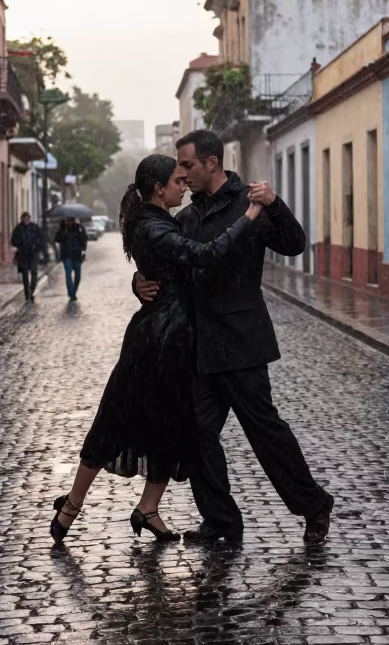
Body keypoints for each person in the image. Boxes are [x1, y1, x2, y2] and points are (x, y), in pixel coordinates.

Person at [49, 154, 264, 544]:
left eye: (185, 180)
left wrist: (139, 279)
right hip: (156, 340)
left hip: (174, 337)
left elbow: (163, 267)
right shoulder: (154, 226)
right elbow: (203, 255)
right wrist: (248, 215)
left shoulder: (162, 221)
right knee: (116, 417)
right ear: (158, 188)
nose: (184, 186)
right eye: (177, 181)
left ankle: (148, 508)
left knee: (171, 424)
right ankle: (71, 506)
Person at [133, 129, 334, 544]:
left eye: (187, 164)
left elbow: (295, 245)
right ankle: (222, 521)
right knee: (198, 434)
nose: (181, 174)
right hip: (200, 345)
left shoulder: (251, 202)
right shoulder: (186, 218)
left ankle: (314, 504)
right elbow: (167, 262)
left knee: (265, 432)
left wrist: (275, 204)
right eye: (178, 167)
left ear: (211, 163)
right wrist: (139, 281)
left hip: (242, 341)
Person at [10, 212, 44, 303]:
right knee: (25, 273)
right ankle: (26, 292)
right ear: (22, 219)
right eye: (24, 218)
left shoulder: (34, 228)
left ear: (29, 218)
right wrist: (21, 244)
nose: (26, 220)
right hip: (23, 254)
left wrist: (36, 247)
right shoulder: (18, 228)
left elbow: (41, 239)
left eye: (28, 218)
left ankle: (32, 290)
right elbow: (13, 241)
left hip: (33, 254)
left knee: (34, 272)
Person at [55, 217, 88, 301]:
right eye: (67, 220)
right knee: (68, 273)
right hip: (67, 255)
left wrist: (83, 250)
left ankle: (73, 291)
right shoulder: (62, 229)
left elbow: (84, 239)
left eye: (70, 220)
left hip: (77, 254)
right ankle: (71, 293)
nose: (69, 222)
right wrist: (63, 232)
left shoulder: (78, 228)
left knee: (78, 276)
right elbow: (57, 239)